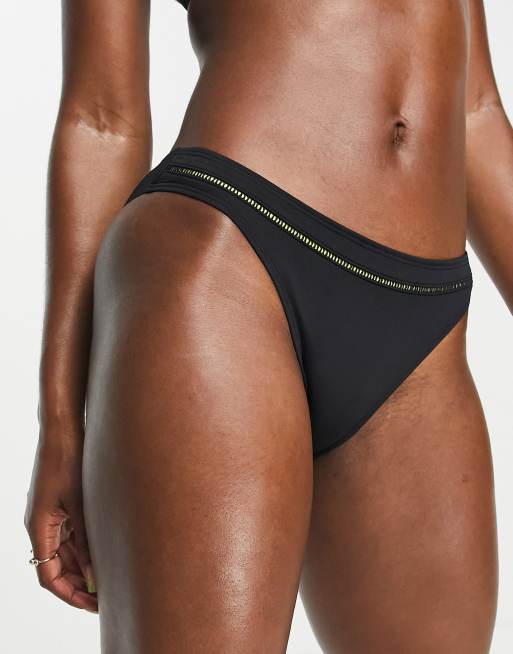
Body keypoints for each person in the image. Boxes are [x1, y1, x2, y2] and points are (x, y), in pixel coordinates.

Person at [24, 1, 512, 652]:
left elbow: (475, 108)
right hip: (228, 260)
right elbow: (102, 119)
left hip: (420, 320)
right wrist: (61, 423)